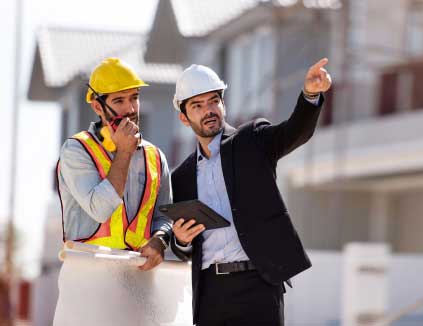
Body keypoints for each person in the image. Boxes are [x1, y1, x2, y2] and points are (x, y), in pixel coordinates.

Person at [170, 59, 332, 325]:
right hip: (211, 295)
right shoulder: (181, 178)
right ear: (184, 117)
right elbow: (186, 249)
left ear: (223, 104)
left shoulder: (252, 140)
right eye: (197, 106)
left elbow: (294, 132)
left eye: (213, 101)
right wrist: (182, 241)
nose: (208, 110)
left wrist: (311, 94)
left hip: (259, 284)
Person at [57, 57, 172, 270]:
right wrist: (124, 152)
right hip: (89, 276)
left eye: (134, 98)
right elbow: (100, 210)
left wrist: (160, 239)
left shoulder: (155, 157)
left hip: (138, 276)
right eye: (119, 101)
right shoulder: (76, 150)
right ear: (97, 106)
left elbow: (164, 217)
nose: (130, 108)